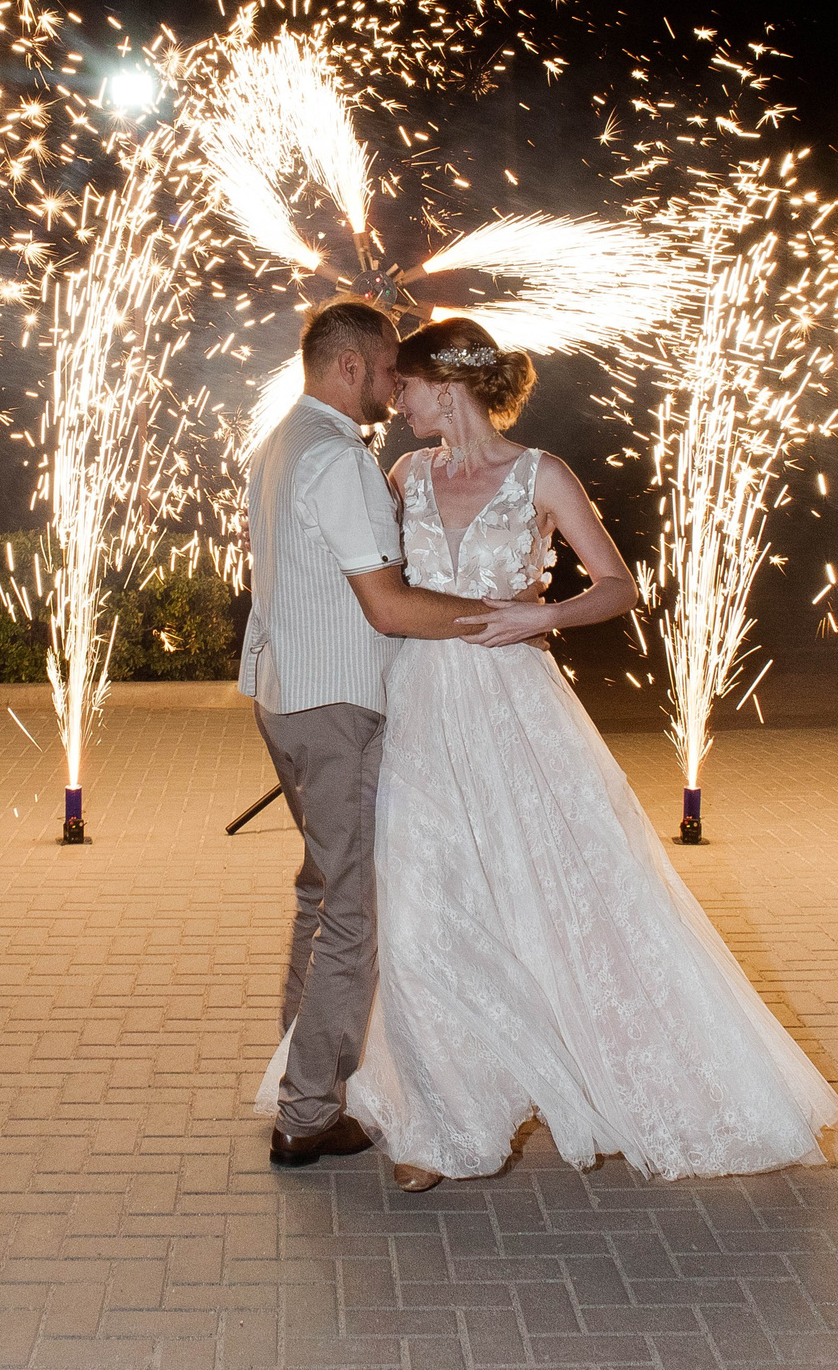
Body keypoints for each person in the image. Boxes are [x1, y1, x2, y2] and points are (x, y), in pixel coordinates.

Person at [287, 314, 838, 1189]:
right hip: (421, 713)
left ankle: (623, 1075)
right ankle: (442, 1123)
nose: (396, 399)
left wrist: (543, 614)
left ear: (449, 385)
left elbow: (619, 582)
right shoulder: (404, 474)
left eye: (410, 385)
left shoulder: (542, 473)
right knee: (424, 915)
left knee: (557, 898)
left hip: (517, 711)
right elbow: (381, 588)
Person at [241, 299, 489, 1168]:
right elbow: (384, 603)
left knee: (319, 893)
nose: (396, 385)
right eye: (388, 370)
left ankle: (292, 1074)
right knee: (350, 911)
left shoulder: (277, 445)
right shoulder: (338, 460)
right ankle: (307, 1113)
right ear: (350, 366)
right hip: (334, 707)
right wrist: (497, 615)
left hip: (285, 696)